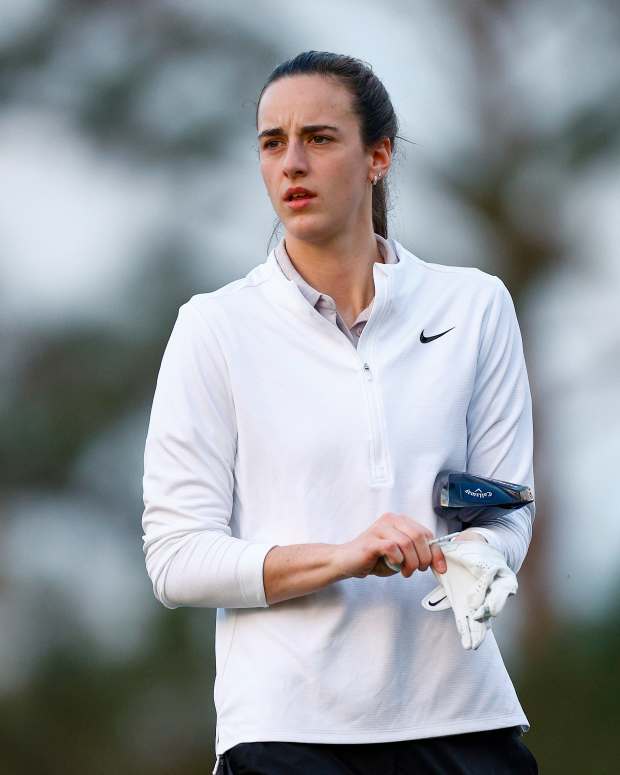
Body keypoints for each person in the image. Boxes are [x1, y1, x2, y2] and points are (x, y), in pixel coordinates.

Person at [141, 50, 538, 774]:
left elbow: (508, 509)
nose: (291, 162)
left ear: (378, 155)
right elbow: (175, 558)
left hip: (463, 722)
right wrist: (343, 557)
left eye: (319, 139)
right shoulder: (213, 327)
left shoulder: (476, 306)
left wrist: (469, 558)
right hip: (286, 733)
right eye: (272, 142)